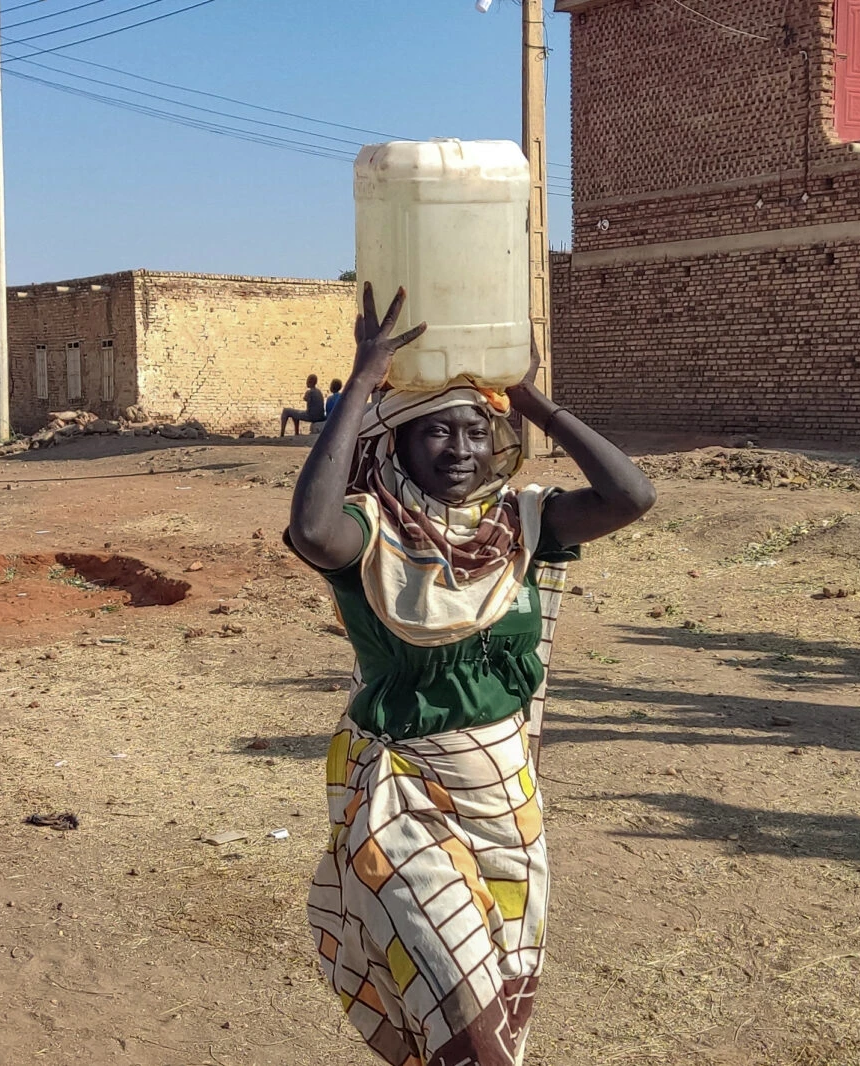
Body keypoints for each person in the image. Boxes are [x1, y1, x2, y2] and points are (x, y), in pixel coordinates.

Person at [287, 284, 657, 1066]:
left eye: (478, 430)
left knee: (498, 996)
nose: (461, 450)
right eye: (436, 434)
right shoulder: (372, 531)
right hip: (403, 789)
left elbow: (633, 495)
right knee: (456, 999)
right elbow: (310, 529)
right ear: (396, 446)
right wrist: (361, 381)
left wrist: (530, 396)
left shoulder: (522, 525)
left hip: (506, 794)